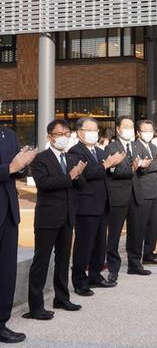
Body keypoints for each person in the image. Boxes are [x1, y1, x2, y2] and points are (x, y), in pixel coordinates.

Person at [26, 120, 86, 319]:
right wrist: (70, 177)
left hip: (67, 216)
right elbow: (44, 184)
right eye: (59, 133)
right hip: (48, 217)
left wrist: (79, 173)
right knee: (41, 261)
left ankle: (62, 298)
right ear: (49, 137)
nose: (64, 137)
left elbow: (80, 185)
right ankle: (35, 306)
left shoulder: (71, 157)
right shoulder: (40, 159)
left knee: (63, 259)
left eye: (66, 133)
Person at [69, 117, 124, 296]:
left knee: (100, 243)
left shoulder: (99, 152)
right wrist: (107, 164)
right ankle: (79, 281)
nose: (94, 133)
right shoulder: (75, 151)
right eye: (89, 130)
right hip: (86, 205)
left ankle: (95, 275)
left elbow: (105, 172)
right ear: (79, 132)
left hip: (102, 203)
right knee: (84, 244)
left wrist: (112, 165)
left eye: (96, 129)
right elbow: (86, 173)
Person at [0, 125, 37, 342]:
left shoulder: (8, 133)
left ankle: (2, 323)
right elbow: (10, 168)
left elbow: (18, 171)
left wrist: (23, 164)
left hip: (9, 212)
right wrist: (10, 168)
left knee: (6, 273)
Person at [104, 116, 144, 283]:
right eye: (125, 126)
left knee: (136, 231)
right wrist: (133, 168)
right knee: (114, 233)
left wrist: (142, 166)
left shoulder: (136, 145)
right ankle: (113, 268)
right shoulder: (111, 147)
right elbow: (114, 171)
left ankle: (135, 264)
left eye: (131, 126)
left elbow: (141, 169)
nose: (129, 129)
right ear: (118, 129)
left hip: (136, 193)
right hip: (118, 195)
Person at [130, 119, 157, 269]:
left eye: (150, 130)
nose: (148, 133)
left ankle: (149, 253)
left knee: (153, 225)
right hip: (143, 191)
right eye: (145, 131)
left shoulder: (152, 145)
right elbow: (141, 168)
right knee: (140, 227)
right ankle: (136, 258)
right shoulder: (135, 146)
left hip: (155, 190)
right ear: (138, 132)